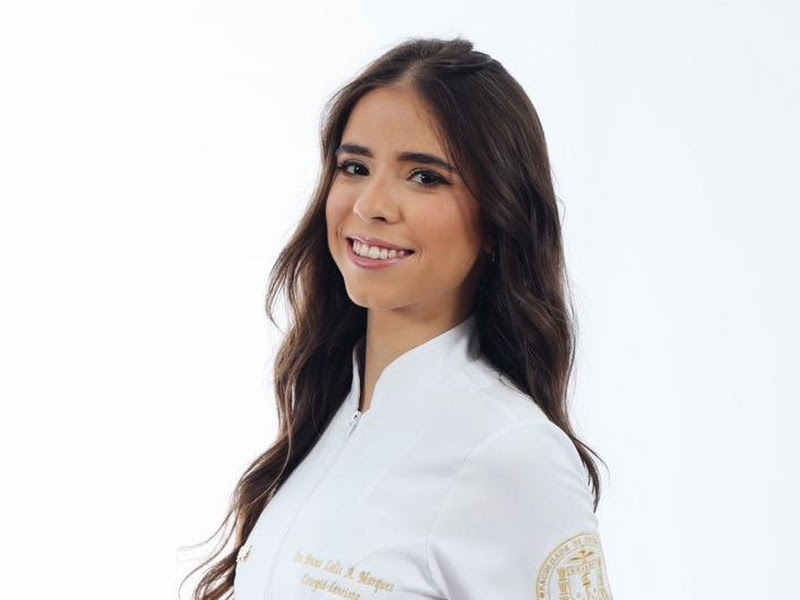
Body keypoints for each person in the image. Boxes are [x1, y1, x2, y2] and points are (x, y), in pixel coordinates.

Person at [182, 36, 614, 600]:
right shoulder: (327, 416)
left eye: (425, 177)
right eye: (355, 167)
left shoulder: (512, 453)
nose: (370, 205)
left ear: (498, 217)